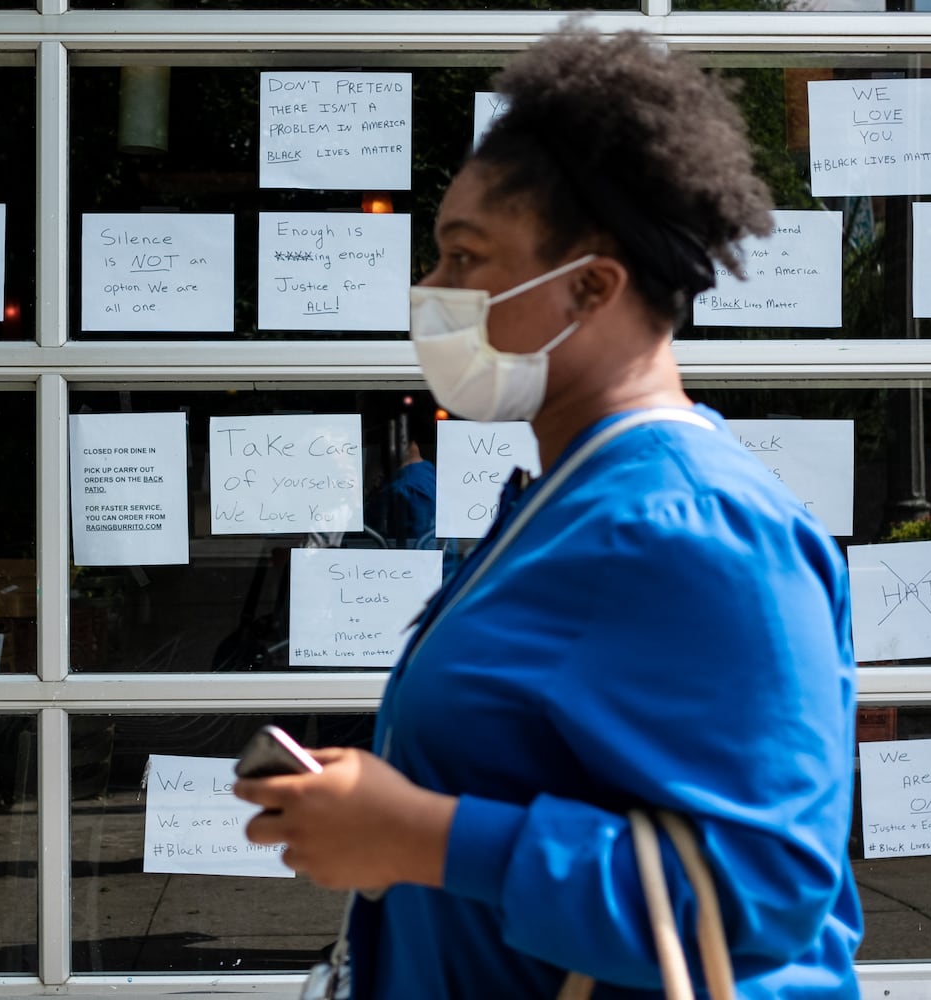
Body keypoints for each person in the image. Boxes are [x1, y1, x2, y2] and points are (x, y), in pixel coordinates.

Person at [235, 25, 862, 1000]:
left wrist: (419, 836)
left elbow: (761, 895)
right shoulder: (564, 496)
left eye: (462, 257)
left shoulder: (691, 527)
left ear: (590, 286)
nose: (430, 292)